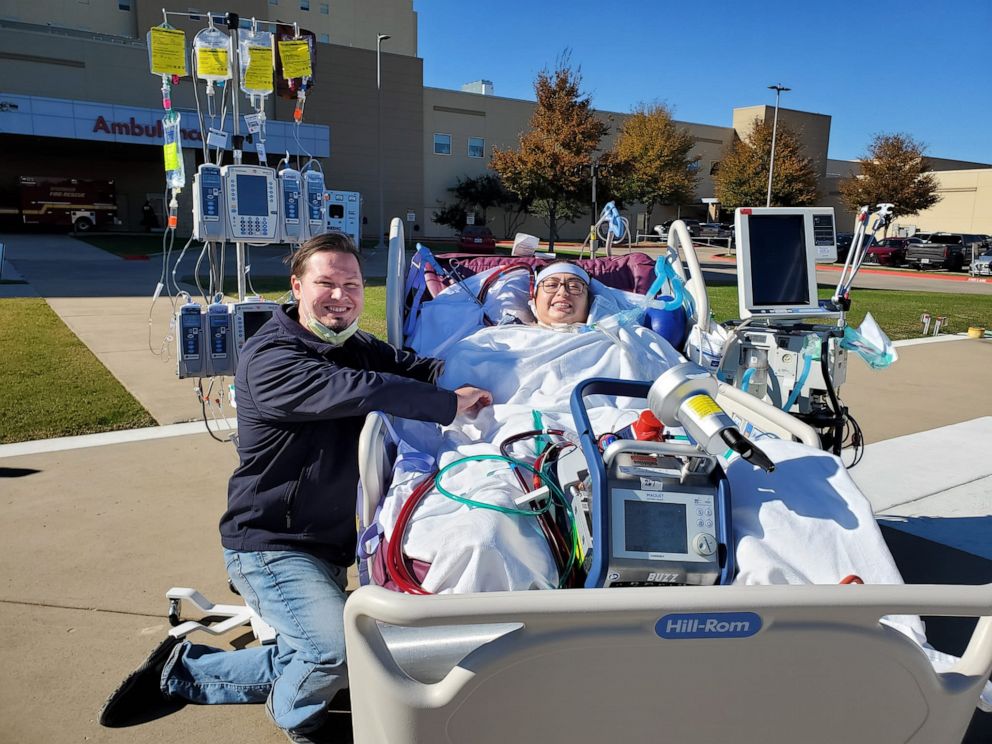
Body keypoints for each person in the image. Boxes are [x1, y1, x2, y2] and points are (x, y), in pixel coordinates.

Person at [99, 232, 492, 742]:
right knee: (332, 652)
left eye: (351, 284)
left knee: (339, 656)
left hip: (326, 545)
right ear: (297, 287)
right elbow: (361, 389)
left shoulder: (354, 344)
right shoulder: (271, 358)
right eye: (325, 282)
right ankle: (298, 721)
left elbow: (409, 367)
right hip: (269, 544)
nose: (340, 295)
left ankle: (184, 671)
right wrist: (446, 404)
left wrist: (479, 368)